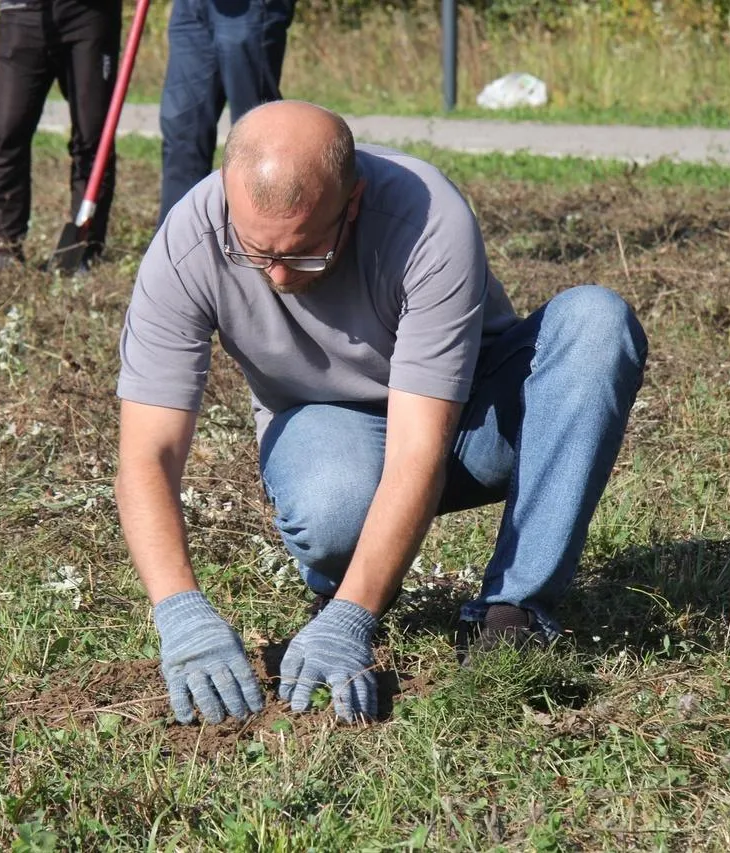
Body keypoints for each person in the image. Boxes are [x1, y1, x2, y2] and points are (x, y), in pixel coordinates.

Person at [114, 101, 648, 724]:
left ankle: (514, 612)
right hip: (329, 429)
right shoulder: (188, 245)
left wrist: (353, 620)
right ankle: (348, 580)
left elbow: (420, 446)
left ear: (354, 202)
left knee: (596, 322)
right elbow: (147, 452)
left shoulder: (426, 219)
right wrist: (180, 610)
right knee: (334, 503)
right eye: (257, 255)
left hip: (470, 423)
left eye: (305, 253)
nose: (280, 275)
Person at [0, 0, 121, 272]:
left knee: (93, 136)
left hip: (90, 14)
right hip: (23, 12)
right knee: (9, 131)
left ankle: (84, 246)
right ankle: (3, 245)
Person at [156, 0, 297, 225]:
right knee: (183, 128)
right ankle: (179, 243)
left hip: (249, 9)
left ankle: (263, 243)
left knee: (256, 133)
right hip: (191, 8)